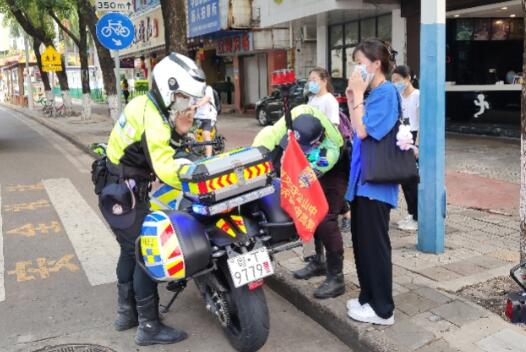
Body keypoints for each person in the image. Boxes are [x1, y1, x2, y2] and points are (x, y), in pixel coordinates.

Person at [99, 53, 206, 346]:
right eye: (184, 97)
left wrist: (183, 135)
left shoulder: (144, 104)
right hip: (125, 193)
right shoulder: (154, 121)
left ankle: (126, 314)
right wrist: (199, 176)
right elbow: (165, 168)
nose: (188, 105)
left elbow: (162, 145)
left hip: (116, 190)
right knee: (146, 254)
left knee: (129, 250)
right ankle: (148, 326)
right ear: (169, 89)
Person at [253, 104, 349, 299]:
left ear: (317, 141)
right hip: (307, 160)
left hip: (334, 173)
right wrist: (256, 156)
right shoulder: (295, 115)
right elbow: (270, 134)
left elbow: (307, 176)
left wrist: (294, 176)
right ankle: (318, 261)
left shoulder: (330, 149)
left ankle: (336, 278)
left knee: (323, 218)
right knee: (307, 212)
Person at [345, 39, 399, 325]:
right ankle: (368, 297)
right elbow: (355, 129)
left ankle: (383, 309)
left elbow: (364, 131)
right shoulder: (372, 92)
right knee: (362, 244)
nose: (356, 68)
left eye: (360, 62)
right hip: (362, 182)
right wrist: (355, 97)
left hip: (377, 184)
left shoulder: (387, 93)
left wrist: (356, 95)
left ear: (376, 64)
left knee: (375, 247)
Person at [392, 65, 420, 231]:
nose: (396, 84)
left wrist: (417, 145)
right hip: (402, 137)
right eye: (393, 81)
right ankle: (411, 213)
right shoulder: (399, 97)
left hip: (414, 137)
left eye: (398, 80)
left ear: (408, 77)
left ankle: (418, 216)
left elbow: (422, 121)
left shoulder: (418, 95)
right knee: (405, 179)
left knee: (413, 179)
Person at [191, 84, 217, 157]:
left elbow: (207, 98)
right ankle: (198, 152)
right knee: (192, 133)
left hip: (208, 115)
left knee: (205, 134)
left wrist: (197, 105)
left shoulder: (207, 88)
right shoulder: (193, 90)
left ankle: (208, 157)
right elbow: (190, 102)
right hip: (197, 116)